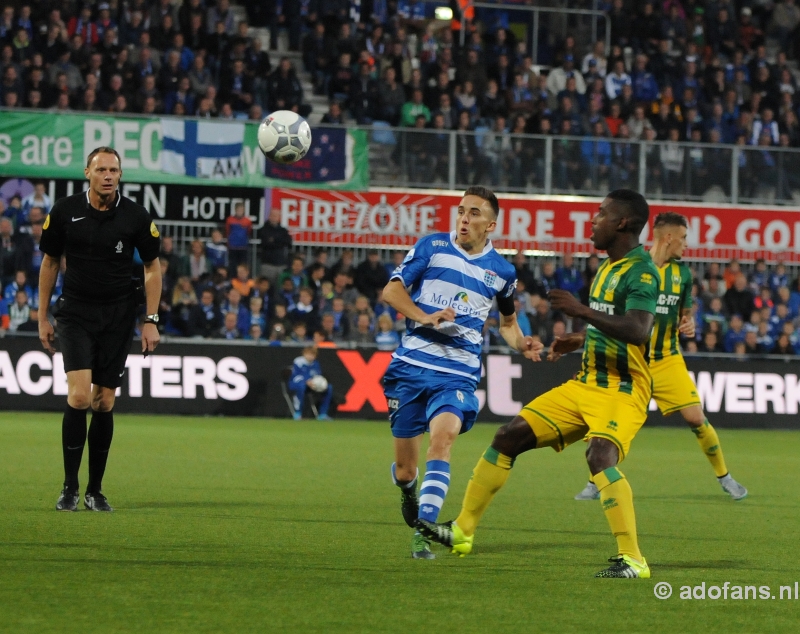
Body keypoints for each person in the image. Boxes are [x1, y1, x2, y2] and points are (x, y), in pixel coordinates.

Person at [417, 189, 659, 579]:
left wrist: (580, 310)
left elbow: (637, 330)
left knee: (600, 456)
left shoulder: (641, 271)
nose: (593, 221)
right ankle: (462, 532)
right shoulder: (610, 267)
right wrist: (579, 338)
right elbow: (614, 322)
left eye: (600, 214)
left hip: (622, 388)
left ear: (623, 223)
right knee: (508, 437)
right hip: (586, 384)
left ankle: (633, 559)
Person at [382, 186, 542, 559]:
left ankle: (424, 530)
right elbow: (391, 292)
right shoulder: (432, 247)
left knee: (444, 440)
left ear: (491, 225)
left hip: (457, 372)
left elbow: (507, 324)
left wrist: (522, 344)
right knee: (406, 469)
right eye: (460, 211)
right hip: (411, 367)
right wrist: (425, 316)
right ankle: (408, 490)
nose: (464, 219)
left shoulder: (501, 271)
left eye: (473, 213)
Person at [574, 213, 747, 503]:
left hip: (667, 358)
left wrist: (689, 323)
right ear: (668, 238)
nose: (686, 245)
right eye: (683, 238)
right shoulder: (634, 267)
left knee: (696, 418)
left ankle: (724, 476)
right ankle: (595, 481)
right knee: (610, 422)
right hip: (630, 360)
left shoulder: (683, 274)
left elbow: (685, 314)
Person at [38, 146, 162, 513]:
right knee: (79, 396)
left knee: (104, 401)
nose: (109, 175)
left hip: (118, 315)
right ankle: (69, 487)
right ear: (87, 173)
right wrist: (43, 316)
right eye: (101, 169)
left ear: (120, 175)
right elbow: (49, 262)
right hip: (75, 313)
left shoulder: (136, 216)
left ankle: (95, 490)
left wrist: (150, 320)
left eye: (114, 170)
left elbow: (153, 267)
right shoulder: (63, 212)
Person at [288, 345, 333, 421]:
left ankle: (323, 414)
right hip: (296, 384)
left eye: (313, 355)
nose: (310, 356)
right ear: (304, 354)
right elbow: (297, 376)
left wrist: (318, 383)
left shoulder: (315, 364)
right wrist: (306, 381)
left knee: (329, 387)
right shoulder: (298, 362)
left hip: (311, 385)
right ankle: (298, 412)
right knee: (301, 387)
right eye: (309, 354)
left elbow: (318, 376)